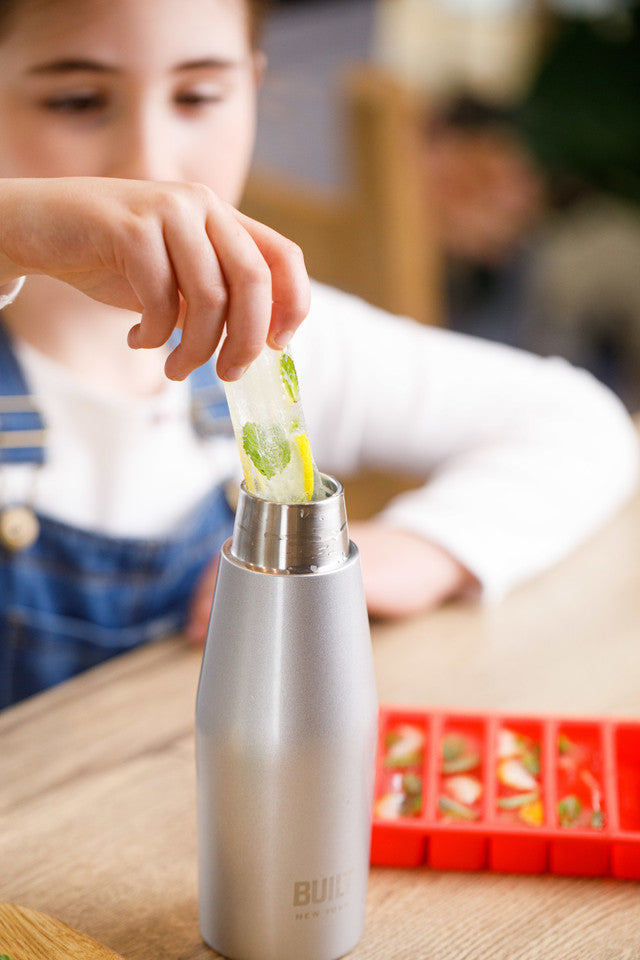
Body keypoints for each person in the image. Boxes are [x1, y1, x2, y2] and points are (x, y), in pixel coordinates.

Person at [0, 0, 637, 708]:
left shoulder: (279, 343)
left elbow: (577, 422)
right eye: (76, 100)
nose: (150, 166)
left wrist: (426, 548)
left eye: (199, 96)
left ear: (253, 88)